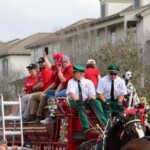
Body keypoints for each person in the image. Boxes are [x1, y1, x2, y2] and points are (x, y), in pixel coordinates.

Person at [66, 65, 107, 139]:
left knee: (97, 102)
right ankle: (86, 129)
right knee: (81, 107)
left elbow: (93, 94)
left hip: (85, 101)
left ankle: (103, 124)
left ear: (80, 74)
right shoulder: (71, 82)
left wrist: (91, 99)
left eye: (74, 73)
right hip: (73, 101)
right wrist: (78, 100)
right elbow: (72, 94)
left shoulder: (89, 82)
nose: (73, 74)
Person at [40, 55, 73, 124]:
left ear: (65, 62)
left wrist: (59, 70)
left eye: (61, 64)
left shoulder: (70, 69)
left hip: (70, 90)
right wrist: (56, 92)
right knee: (50, 93)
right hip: (65, 89)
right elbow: (62, 83)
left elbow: (63, 80)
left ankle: (51, 116)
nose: (60, 66)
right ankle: (52, 107)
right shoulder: (66, 69)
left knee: (54, 98)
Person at [27, 57, 53, 122]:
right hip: (42, 91)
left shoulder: (47, 71)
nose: (40, 64)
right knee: (33, 97)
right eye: (39, 63)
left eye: (42, 62)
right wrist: (37, 74)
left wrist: (34, 87)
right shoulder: (42, 71)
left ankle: (39, 116)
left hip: (47, 90)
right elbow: (38, 82)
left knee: (42, 96)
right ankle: (32, 115)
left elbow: (41, 84)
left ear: (46, 63)